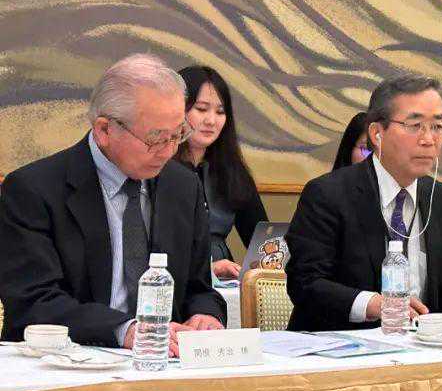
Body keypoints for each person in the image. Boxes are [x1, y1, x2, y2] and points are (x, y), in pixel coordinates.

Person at [0, 54, 225, 353]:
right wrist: (124, 330)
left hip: (163, 363)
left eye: (178, 135)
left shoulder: (182, 186)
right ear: (105, 130)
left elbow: (199, 288)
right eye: (156, 138)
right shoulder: (34, 190)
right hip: (65, 361)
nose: (169, 151)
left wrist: (205, 315)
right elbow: (34, 302)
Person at [285, 75, 442, 330]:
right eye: (415, 125)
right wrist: (374, 304)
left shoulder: (441, 199)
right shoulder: (328, 194)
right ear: (376, 133)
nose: (429, 139)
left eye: (437, 126)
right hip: (340, 343)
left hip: (420, 344)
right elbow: (305, 283)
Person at [176, 65, 267, 280]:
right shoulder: (157, 169)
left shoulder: (231, 170)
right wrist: (207, 269)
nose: (211, 120)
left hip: (224, 283)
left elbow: (262, 238)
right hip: (175, 279)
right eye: (201, 109)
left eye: (220, 112)